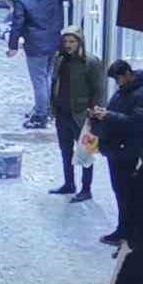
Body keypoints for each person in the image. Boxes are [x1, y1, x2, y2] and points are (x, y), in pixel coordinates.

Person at [90, 60, 143, 247]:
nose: (117, 83)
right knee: (120, 190)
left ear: (127, 74)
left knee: (124, 191)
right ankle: (125, 229)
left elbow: (137, 121)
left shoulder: (142, 93)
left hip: (127, 149)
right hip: (117, 147)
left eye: (118, 79)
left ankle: (126, 231)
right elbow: (118, 111)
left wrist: (108, 116)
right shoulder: (126, 89)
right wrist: (102, 113)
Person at [7, 0, 75, 128]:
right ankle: (45, 108)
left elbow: (17, 23)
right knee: (47, 78)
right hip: (53, 42)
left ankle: (40, 115)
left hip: (35, 45)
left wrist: (13, 46)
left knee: (39, 81)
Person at [48, 26, 105, 204]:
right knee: (65, 151)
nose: (68, 45)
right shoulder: (59, 59)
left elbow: (98, 90)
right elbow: (54, 83)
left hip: (83, 115)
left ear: (79, 42)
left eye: (72, 41)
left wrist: (94, 112)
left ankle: (86, 189)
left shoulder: (91, 62)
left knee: (87, 153)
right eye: (65, 42)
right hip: (62, 113)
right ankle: (69, 183)